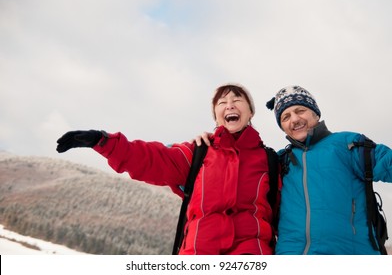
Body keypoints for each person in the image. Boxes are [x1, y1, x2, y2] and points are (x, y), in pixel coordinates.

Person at [56, 83, 278, 255]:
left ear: (250, 113)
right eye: (222, 102)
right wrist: (103, 141)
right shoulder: (198, 152)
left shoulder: (269, 160)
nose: (229, 104)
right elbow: (151, 159)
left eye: (237, 99)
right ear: (216, 117)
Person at [265, 85, 392, 255]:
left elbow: (387, 163)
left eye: (300, 110)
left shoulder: (347, 144)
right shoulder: (280, 160)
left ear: (315, 114)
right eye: (286, 116)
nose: (294, 119)